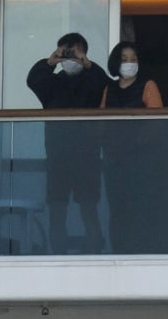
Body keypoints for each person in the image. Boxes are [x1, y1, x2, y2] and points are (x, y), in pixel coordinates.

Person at [24, 32, 107, 249]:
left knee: (89, 208)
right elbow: (33, 80)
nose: (70, 59)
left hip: (87, 155)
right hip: (58, 155)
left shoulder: (91, 81)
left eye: (75, 53)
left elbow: (105, 85)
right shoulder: (52, 84)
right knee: (57, 209)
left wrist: (86, 62)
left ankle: (95, 252)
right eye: (66, 53)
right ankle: (57, 253)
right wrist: (51, 61)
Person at [97, 41, 168, 251]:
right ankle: (119, 253)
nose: (130, 64)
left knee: (141, 209)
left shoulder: (148, 85)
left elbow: (157, 122)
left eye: (134, 60)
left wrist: (135, 142)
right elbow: (100, 122)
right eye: (125, 59)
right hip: (113, 161)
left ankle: (141, 253)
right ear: (116, 63)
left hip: (142, 161)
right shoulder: (109, 88)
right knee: (117, 210)